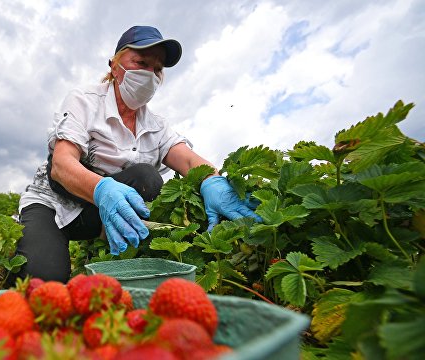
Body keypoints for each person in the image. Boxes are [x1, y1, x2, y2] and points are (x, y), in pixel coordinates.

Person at [14, 25, 261, 283]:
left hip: (98, 213)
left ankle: (115, 252)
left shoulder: (155, 125)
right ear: (114, 65)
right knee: (43, 280)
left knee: (147, 178)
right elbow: (61, 166)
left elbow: (187, 159)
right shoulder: (85, 100)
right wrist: (102, 189)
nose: (149, 74)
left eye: (156, 69)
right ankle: (34, 240)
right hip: (53, 201)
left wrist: (213, 180)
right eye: (141, 62)